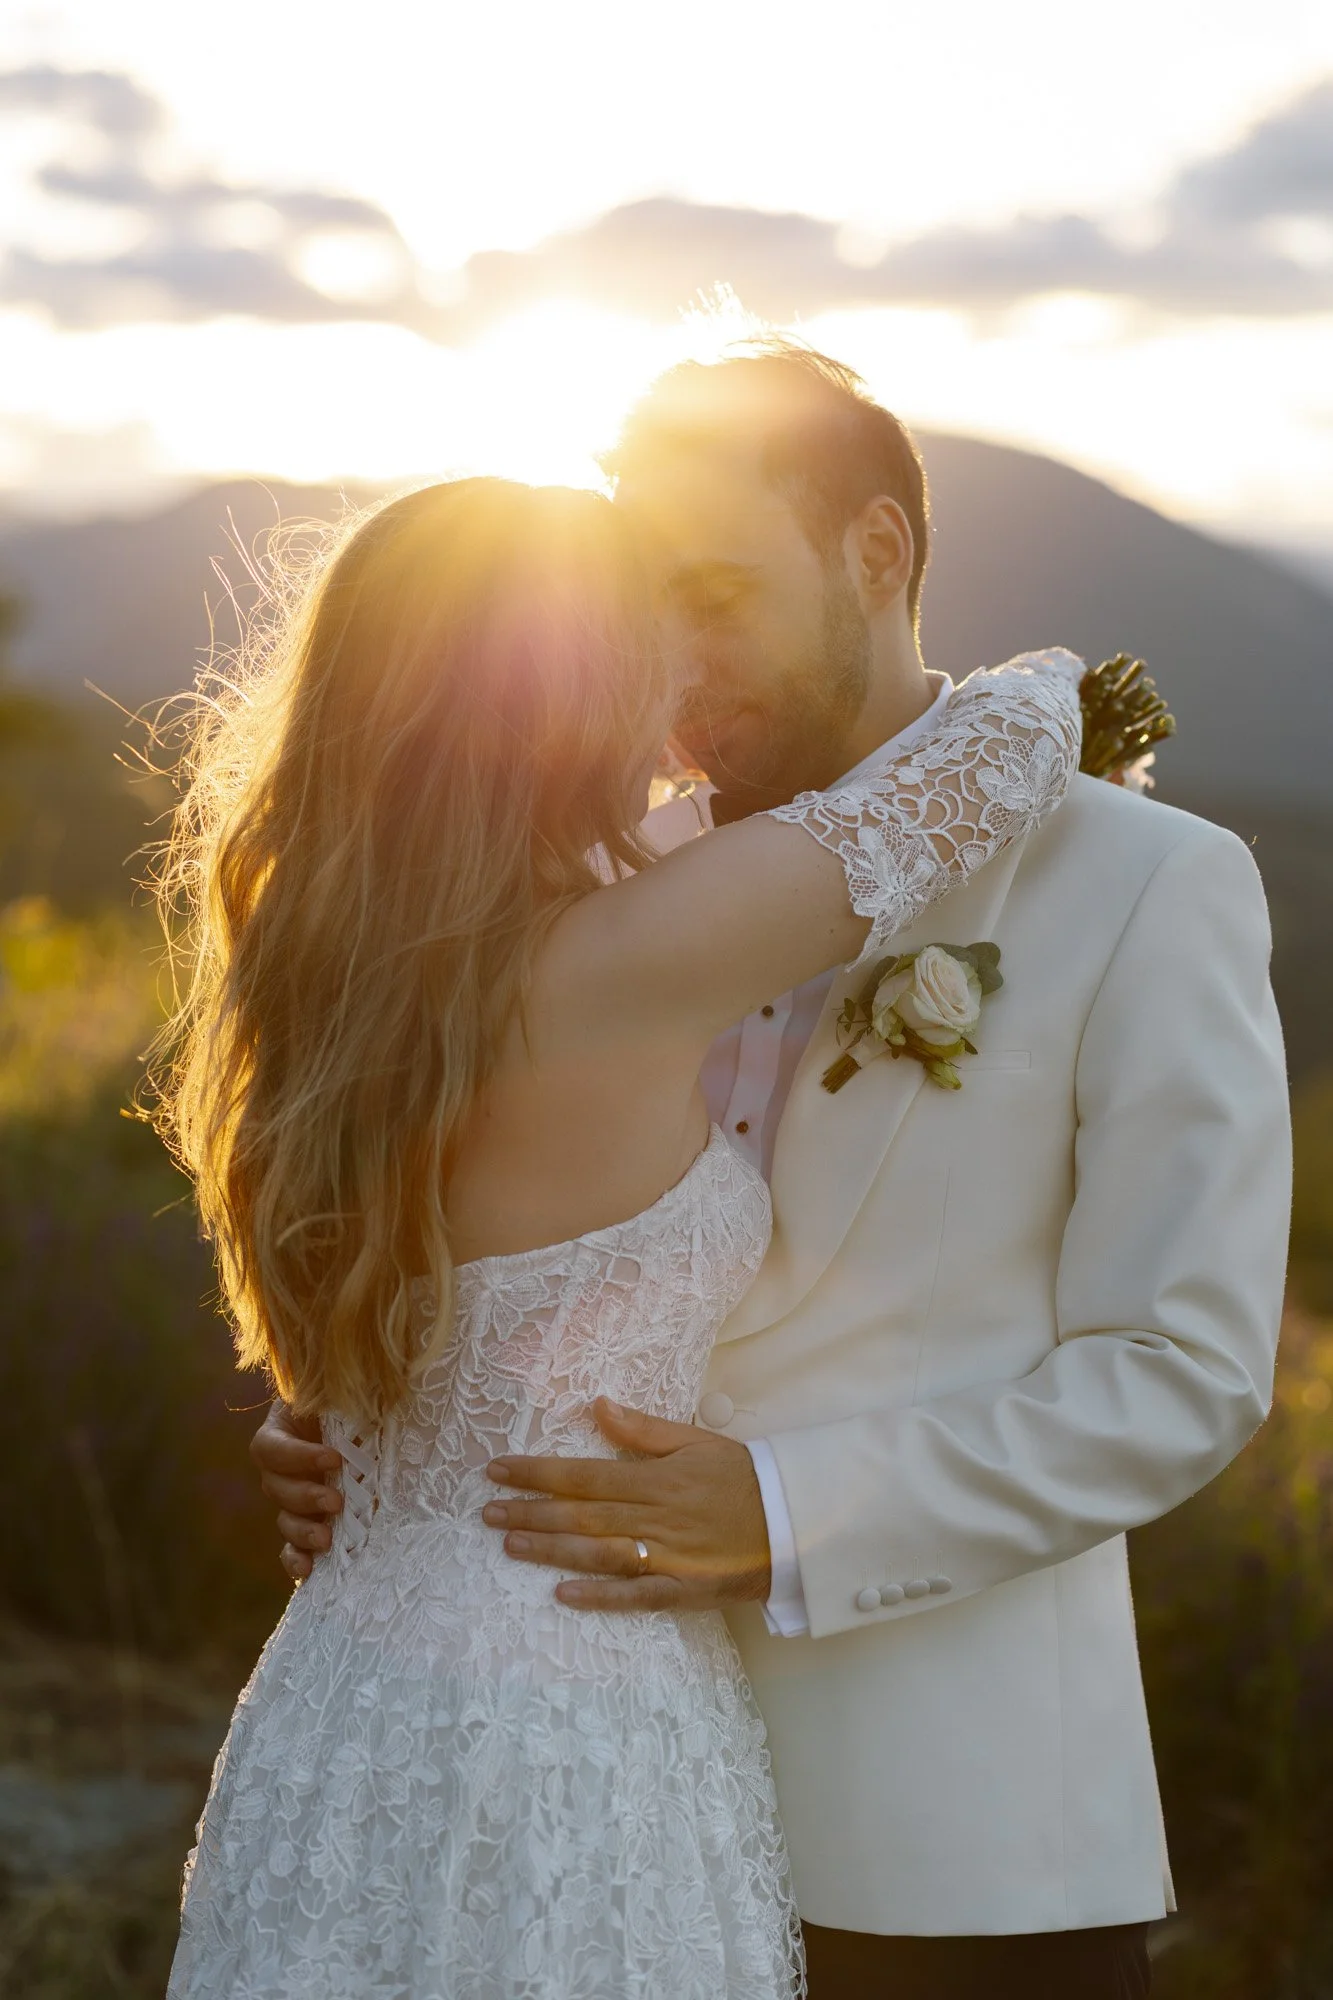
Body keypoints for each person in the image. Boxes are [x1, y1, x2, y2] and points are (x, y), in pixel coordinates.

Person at [258, 342, 1292, 2000]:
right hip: (564, 1808)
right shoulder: (606, 879)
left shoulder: (1148, 882)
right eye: (640, 610)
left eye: (717, 593)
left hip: (952, 1839)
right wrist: (373, 1423)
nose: (673, 665)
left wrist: (790, 1513)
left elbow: (1185, 1370)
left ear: (875, 558)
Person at [157, 462, 1083, 1999]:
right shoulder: (626, 956)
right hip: (564, 1718)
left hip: (343, 1691)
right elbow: (1005, 749)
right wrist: (1055, 673)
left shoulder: (323, 970)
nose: (688, 667)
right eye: (651, 634)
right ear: (570, 693)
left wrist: (328, 1426)